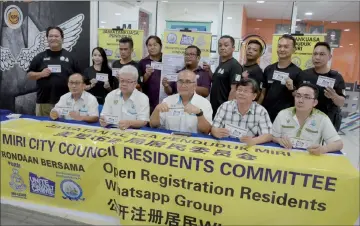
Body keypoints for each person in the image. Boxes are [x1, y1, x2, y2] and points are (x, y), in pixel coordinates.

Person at [272, 83, 343, 155]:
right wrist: (279, 140)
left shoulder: (322, 118)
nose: (300, 100)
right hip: (284, 156)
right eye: (298, 96)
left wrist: (324, 149)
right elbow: (272, 136)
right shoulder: (283, 114)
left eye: (306, 97)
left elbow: (338, 143)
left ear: (314, 102)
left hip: (310, 158)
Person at [27, 26, 80, 116]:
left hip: (66, 103)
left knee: (65, 128)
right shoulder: (40, 57)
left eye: (56, 36)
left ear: (62, 39)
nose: (53, 38)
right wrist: (41, 74)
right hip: (44, 102)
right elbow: (29, 75)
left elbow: (79, 78)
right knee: (42, 128)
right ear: (47, 39)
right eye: (50, 36)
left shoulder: (71, 57)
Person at [211, 78, 272, 146]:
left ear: (254, 96)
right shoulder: (225, 106)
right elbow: (214, 128)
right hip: (226, 145)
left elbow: (268, 135)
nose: (241, 93)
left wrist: (254, 141)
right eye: (239, 90)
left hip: (247, 147)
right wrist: (215, 132)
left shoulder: (260, 111)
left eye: (245, 91)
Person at [150, 70, 212, 134]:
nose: (183, 85)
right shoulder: (167, 100)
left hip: (192, 142)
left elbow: (206, 131)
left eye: (188, 82)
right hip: (170, 140)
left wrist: (199, 114)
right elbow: (153, 125)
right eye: (180, 81)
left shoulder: (204, 103)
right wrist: (156, 110)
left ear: (195, 85)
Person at [259, 34, 303, 122]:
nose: (282, 49)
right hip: (266, 115)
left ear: (293, 49)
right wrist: (258, 109)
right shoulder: (269, 69)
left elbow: (300, 98)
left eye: (286, 47)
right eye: (279, 46)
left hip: (286, 117)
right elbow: (263, 93)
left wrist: (292, 88)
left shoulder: (298, 72)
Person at [303, 42, 346, 131]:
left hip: (328, 121)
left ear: (329, 57)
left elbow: (341, 102)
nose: (317, 57)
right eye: (315, 54)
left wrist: (334, 96)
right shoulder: (304, 74)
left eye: (322, 54)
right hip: (306, 119)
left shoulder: (337, 77)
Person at [100, 65, 149, 130]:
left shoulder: (143, 98)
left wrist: (129, 123)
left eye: (128, 81)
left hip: (133, 133)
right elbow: (104, 115)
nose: (124, 84)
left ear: (135, 83)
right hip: (113, 132)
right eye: (122, 80)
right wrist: (103, 120)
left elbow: (143, 121)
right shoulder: (111, 95)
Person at [210, 35, 243, 118]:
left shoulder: (235, 65)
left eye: (226, 45)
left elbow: (234, 89)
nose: (222, 48)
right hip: (214, 107)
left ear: (233, 48)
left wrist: (227, 110)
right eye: (220, 45)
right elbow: (216, 81)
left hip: (224, 109)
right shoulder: (221, 64)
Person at [138, 35, 163, 114]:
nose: (152, 47)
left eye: (155, 45)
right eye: (150, 45)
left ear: (161, 46)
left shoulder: (168, 61)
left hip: (165, 101)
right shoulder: (142, 62)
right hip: (148, 102)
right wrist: (146, 75)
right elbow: (139, 81)